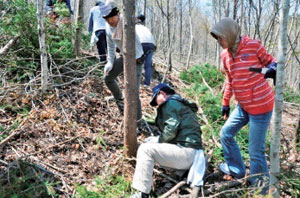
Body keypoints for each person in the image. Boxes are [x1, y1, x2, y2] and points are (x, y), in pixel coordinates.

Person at [210, 18, 277, 191]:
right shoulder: (225, 55)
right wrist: (225, 102)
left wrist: (274, 68)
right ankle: (237, 169)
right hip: (243, 106)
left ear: (229, 35)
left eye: (220, 38)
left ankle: (260, 190)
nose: (219, 42)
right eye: (217, 38)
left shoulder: (253, 46)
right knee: (225, 133)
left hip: (261, 106)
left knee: (255, 151)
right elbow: (230, 79)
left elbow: (270, 61)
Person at [130, 83, 204, 198]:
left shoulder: (170, 104)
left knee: (145, 149)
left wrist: (158, 140)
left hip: (186, 153)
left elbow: (171, 129)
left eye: (156, 99)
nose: (156, 105)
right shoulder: (179, 104)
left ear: (162, 94)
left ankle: (142, 194)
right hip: (193, 155)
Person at [100, 1, 144, 121]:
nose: (110, 21)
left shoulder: (126, 22)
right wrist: (110, 62)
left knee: (133, 92)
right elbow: (110, 46)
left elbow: (136, 19)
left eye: (111, 17)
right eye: (107, 19)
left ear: (118, 13)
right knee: (108, 79)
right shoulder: (108, 28)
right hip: (124, 57)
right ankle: (120, 100)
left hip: (136, 59)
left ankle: (138, 121)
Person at [135, 14, 156, 87]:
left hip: (142, 43)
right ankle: (147, 83)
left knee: (137, 61)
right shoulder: (146, 28)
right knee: (148, 65)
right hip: (151, 45)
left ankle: (136, 82)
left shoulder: (134, 27)